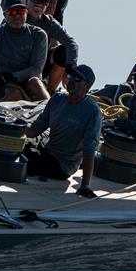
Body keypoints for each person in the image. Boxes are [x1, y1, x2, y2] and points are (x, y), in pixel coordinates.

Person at [24, 64, 101, 197]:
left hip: (63, 166)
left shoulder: (92, 112)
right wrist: (15, 128)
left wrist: (85, 185)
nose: (71, 80)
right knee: (17, 149)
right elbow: (35, 130)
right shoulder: (57, 99)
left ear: (87, 86)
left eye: (78, 78)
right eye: (71, 76)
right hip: (47, 152)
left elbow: (89, 151)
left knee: (23, 160)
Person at [24, 0, 80, 94]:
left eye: (43, 1)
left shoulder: (48, 22)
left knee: (63, 51)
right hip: (18, 69)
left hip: (39, 68)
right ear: (26, 0)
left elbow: (72, 45)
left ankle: (49, 93)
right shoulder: (15, 18)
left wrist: (70, 71)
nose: (38, 5)